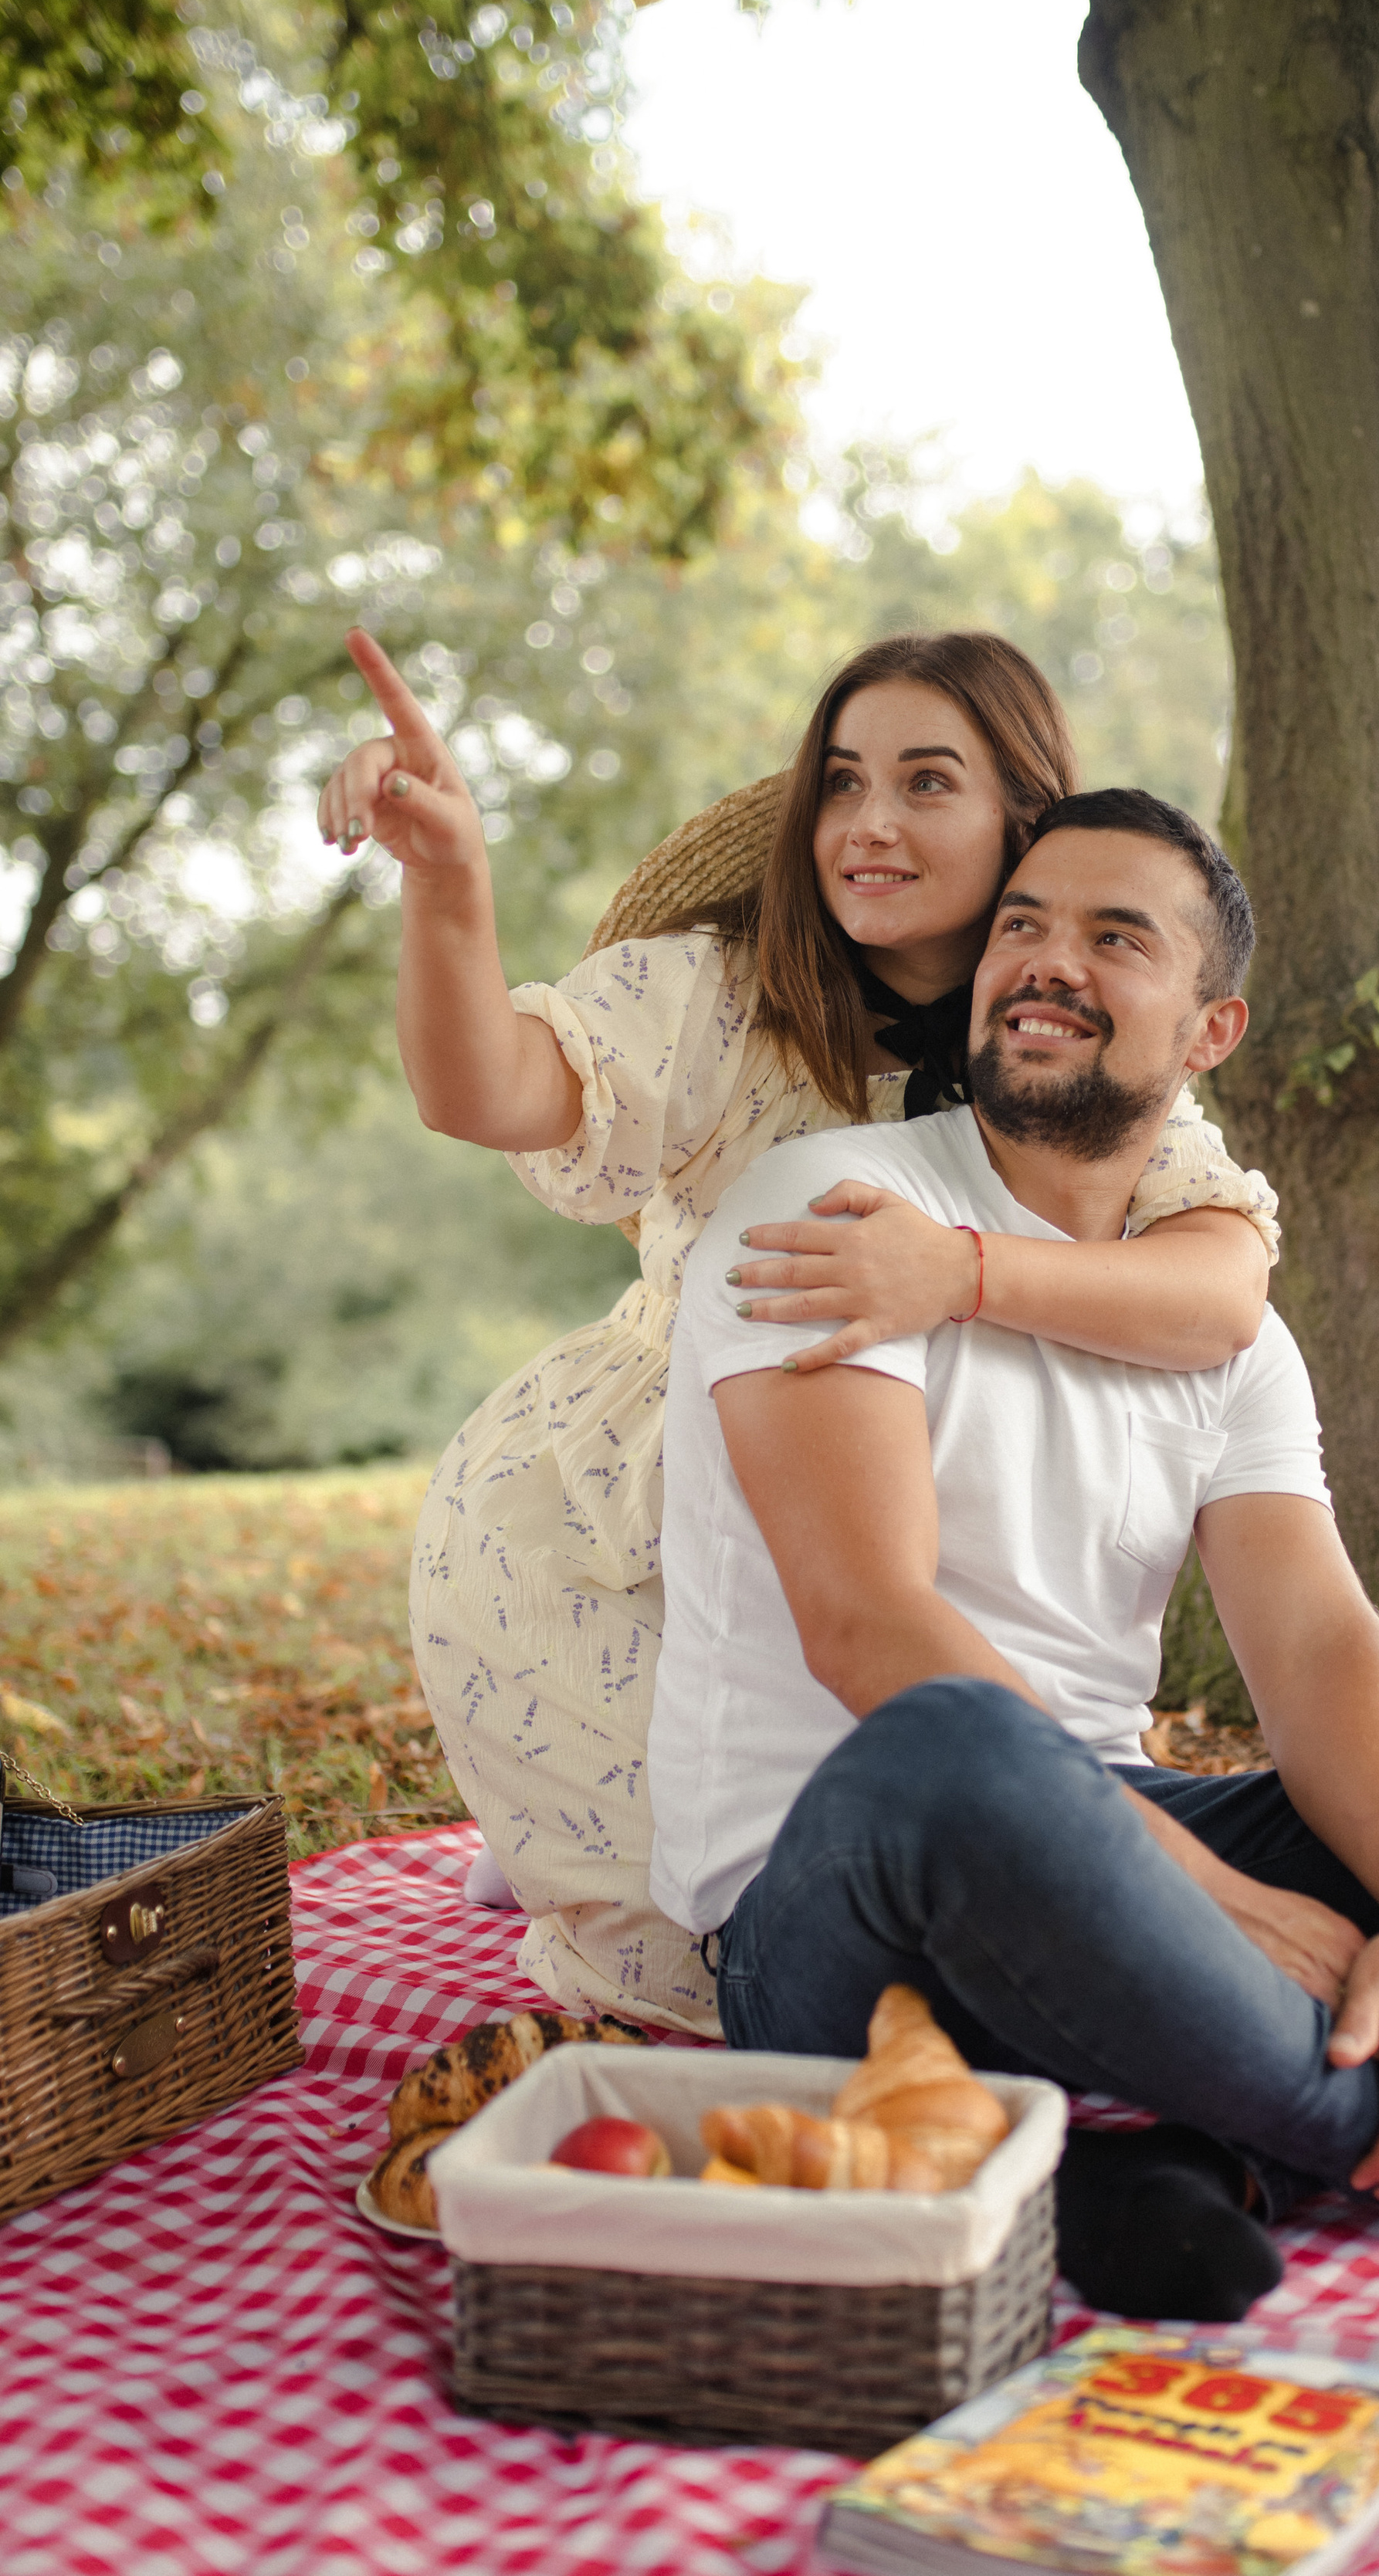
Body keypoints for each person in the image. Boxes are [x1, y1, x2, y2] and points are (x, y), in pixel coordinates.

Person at [653, 787, 1379, 2318]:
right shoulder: (832, 1213)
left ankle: (1215, 2162)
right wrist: (1211, 1894)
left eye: (1112, 937)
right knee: (952, 1739)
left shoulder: (1221, 1330)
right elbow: (864, 1629)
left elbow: (1316, 1647)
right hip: (834, 1902)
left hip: (1108, 1853)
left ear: (1209, 1030)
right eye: (1020, 924)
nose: (1043, 960)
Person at [317, 632, 1281, 2030]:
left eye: (926, 783)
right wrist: (452, 881)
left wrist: (955, 1274)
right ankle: (571, 1837)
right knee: (717, 1968)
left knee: (963, 1852)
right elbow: (491, 1091)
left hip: (896, 1507)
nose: (868, 824)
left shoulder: (1064, 1031)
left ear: (1023, 824)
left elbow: (1222, 1290)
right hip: (624, 1530)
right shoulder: (724, 994)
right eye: (840, 782)